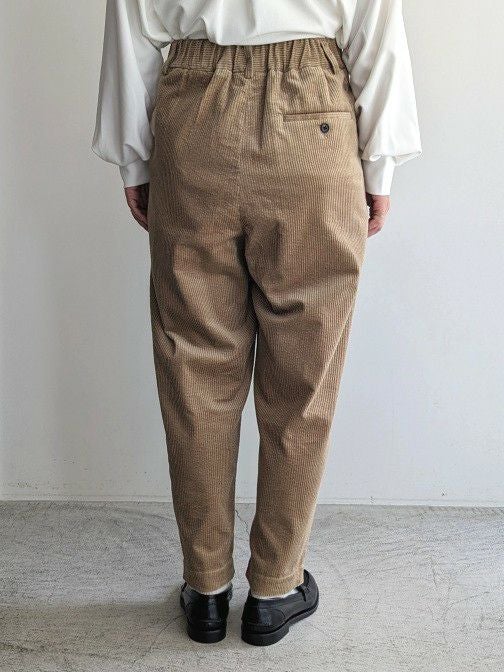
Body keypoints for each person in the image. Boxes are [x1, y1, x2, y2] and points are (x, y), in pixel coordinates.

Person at [92, 0, 421, 646]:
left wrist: (136, 160)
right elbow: (376, 28)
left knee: (194, 364)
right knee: (304, 372)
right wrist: (378, 165)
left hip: (195, 124)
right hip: (313, 126)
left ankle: (206, 587)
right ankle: (275, 588)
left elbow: (130, 20)